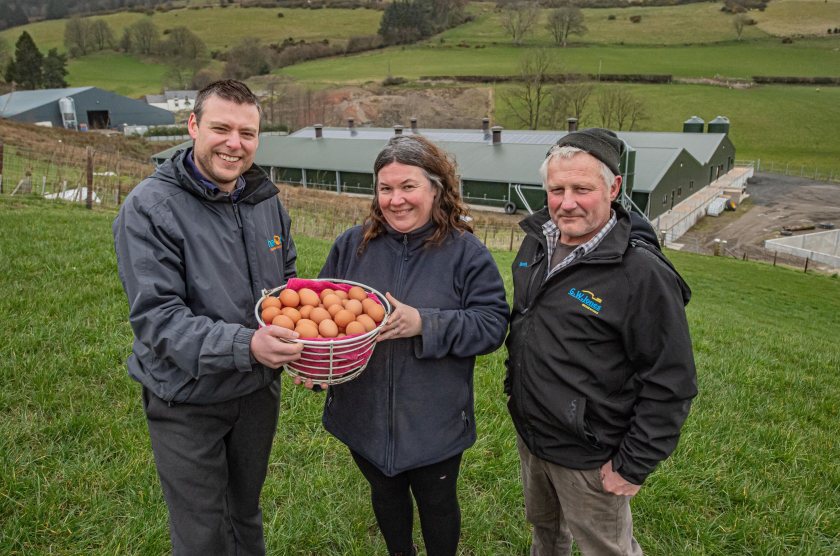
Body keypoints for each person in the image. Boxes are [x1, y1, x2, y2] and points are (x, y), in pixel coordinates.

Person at [113, 80, 303, 555]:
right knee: (202, 533)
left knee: (245, 513)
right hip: (188, 398)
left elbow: (287, 284)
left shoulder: (264, 200)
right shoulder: (149, 210)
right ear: (193, 126)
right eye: (221, 128)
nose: (235, 144)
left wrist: (307, 348)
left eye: (248, 133)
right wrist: (248, 345)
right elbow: (159, 320)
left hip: (257, 392)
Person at [505, 128, 697, 555]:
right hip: (534, 435)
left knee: (606, 548)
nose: (566, 202)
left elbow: (672, 380)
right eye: (556, 189)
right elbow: (527, 322)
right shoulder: (537, 241)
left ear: (613, 188)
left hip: (591, 453)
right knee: (545, 532)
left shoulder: (642, 274)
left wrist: (633, 466)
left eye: (581, 188)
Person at [315, 135, 509, 556]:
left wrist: (423, 322)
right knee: (385, 497)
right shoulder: (353, 245)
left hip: (432, 420)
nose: (395, 199)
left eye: (408, 186)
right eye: (385, 188)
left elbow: (493, 325)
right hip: (362, 413)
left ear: (436, 189)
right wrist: (315, 365)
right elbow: (321, 319)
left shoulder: (466, 253)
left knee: (438, 505)